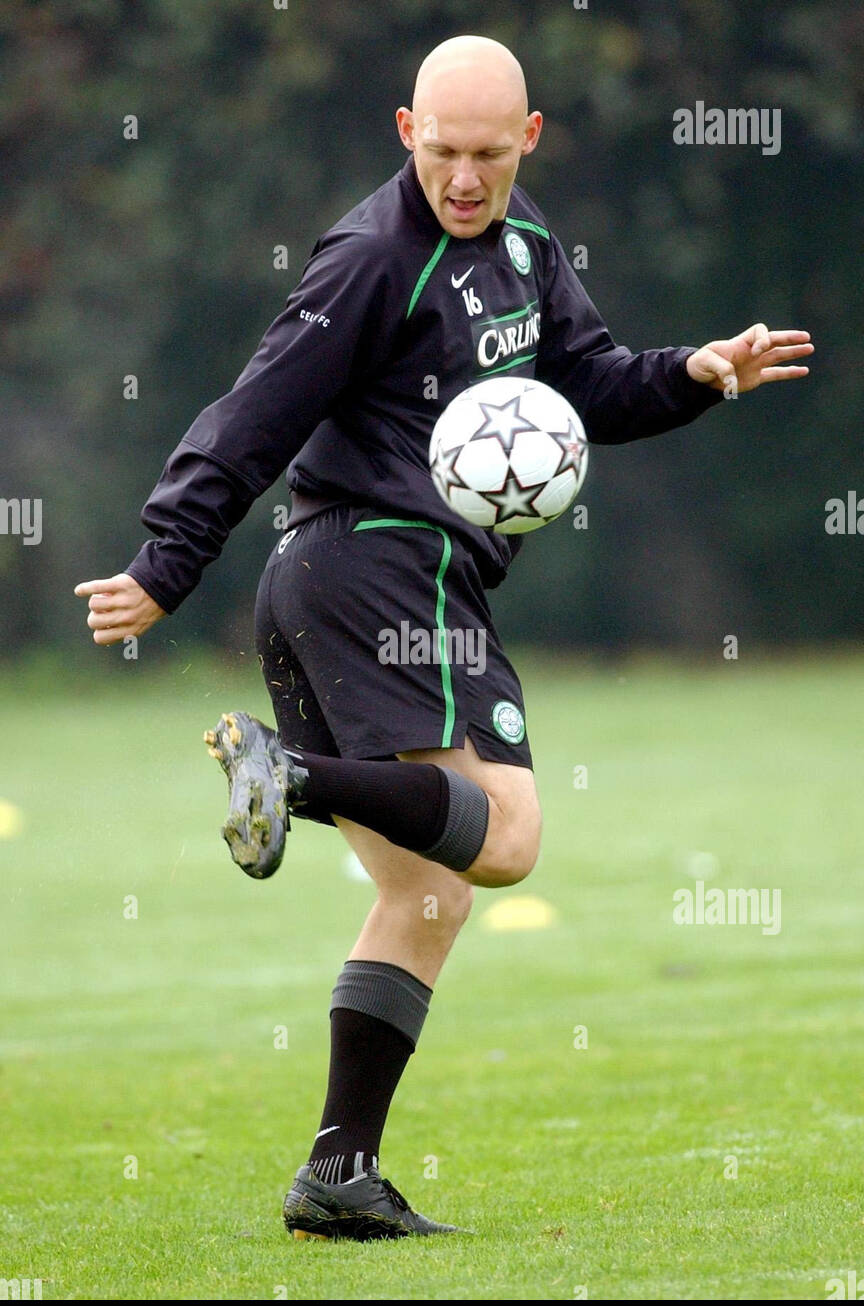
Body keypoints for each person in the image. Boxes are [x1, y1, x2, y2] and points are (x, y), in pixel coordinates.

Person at [75, 35, 813, 1241]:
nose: (463, 180)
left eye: (488, 156)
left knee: (426, 896)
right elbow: (254, 413)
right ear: (405, 131)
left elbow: (593, 385)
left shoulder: (529, 251)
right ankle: (290, 771)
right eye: (444, 151)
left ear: (527, 141)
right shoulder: (372, 258)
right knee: (509, 838)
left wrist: (698, 372)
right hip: (380, 561)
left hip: (341, 581)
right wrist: (166, 563)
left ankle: (337, 1174)